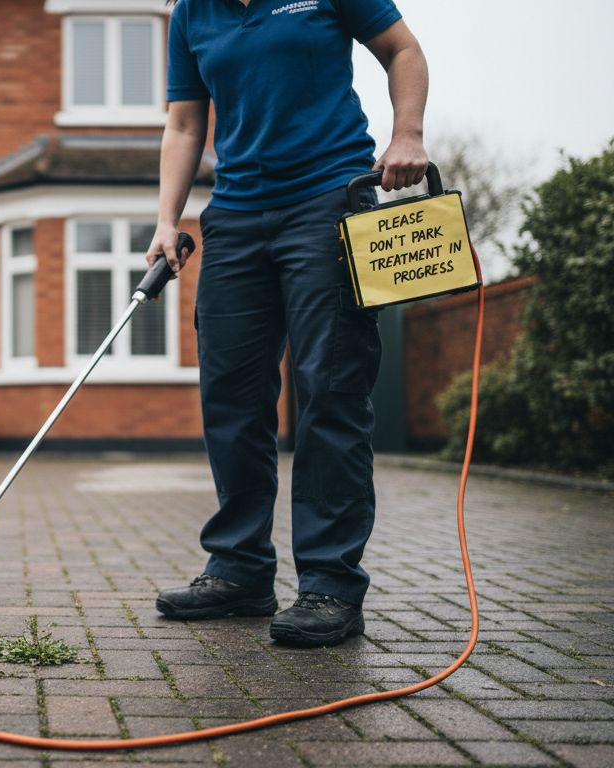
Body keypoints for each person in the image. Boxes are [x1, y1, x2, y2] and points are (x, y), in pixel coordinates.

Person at [148, 0, 429, 647]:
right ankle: (240, 570)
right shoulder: (190, 12)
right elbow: (187, 122)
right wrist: (168, 219)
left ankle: (330, 584)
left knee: (330, 389)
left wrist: (407, 133)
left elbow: (403, 51)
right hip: (237, 213)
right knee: (231, 394)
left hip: (330, 197)